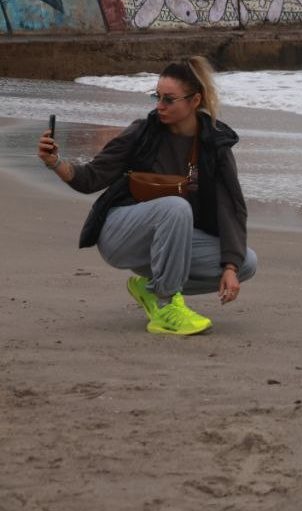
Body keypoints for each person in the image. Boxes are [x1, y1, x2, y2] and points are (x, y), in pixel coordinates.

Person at [36, 56, 256, 336]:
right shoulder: (143, 132)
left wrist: (230, 266)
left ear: (195, 100)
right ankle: (166, 307)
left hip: (169, 242)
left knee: (245, 263)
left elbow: (232, 208)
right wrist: (55, 161)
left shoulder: (215, 146)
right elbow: (90, 178)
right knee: (176, 208)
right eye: (157, 97)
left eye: (168, 99)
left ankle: (150, 288)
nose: (159, 106)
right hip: (122, 234)